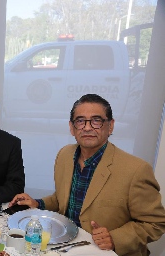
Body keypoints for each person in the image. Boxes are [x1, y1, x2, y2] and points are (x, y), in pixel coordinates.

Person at [9, 94, 165, 256]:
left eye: (96, 120)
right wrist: (37, 203)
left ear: (110, 126)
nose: (88, 127)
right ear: (72, 127)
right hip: (67, 247)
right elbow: (63, 200)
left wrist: (115, 238)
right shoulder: (64, 155)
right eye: (80, 121)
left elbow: (156, 222)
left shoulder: (136, 169)